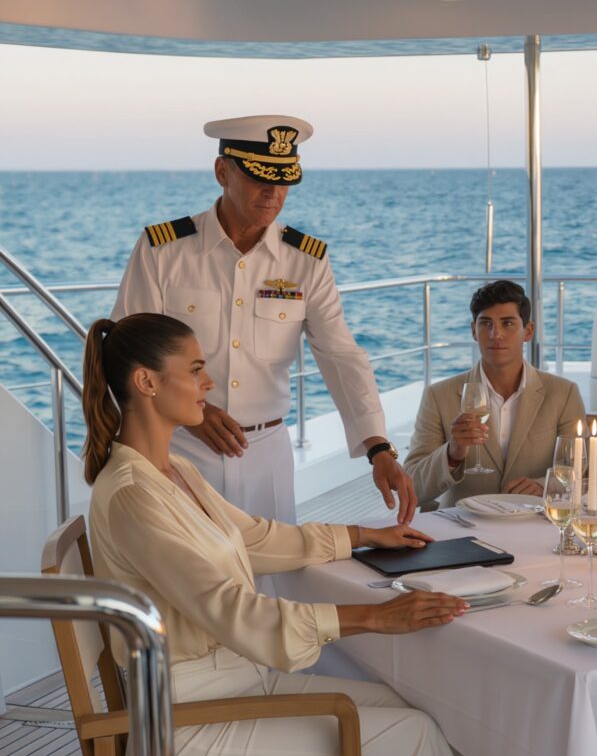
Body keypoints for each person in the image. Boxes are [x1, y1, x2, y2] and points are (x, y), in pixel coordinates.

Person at [81, 312, 576, 756]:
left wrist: (362, 537)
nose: (209, 383)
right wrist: (373, 618)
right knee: (412, 739)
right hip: (189, 727)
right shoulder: (131, 496)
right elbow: (234, 611)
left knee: (429, 713)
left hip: (236, 685)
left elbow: (255, 538)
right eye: (195, 370)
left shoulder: (173, 474)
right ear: (147, 382)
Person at [113, 114, 415, 525]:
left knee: (276, 561)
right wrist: (194, 414)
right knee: (186, 563)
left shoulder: (305, 260)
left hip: (266, 455)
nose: (274, 193)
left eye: (284, 181)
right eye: (260, 178)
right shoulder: (163, 250)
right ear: (222, 172)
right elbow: (126, 351)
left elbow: (340, 355)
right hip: (180, 447)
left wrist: (379, 448)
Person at [404, 279, 585, 508]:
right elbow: (412, 487)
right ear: (474, 331)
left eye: (507, 323)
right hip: (462, 523)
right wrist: (452, 454)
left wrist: (544, 486)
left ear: (528, 331)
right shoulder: (438, 396)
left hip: (534, 521)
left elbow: (581, 471)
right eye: (486, 323)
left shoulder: (564, 393)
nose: (495, 334)